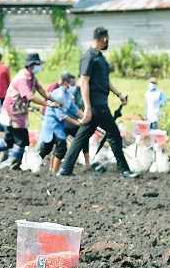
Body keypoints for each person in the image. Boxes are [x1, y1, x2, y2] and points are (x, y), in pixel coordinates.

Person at [59, 27, 137, 178]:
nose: (108, 42)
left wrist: (119, 94)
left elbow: (104, 81)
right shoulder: (88, 57)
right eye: (107, 39)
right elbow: (84, 82)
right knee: (114, 134)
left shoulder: (100, 57)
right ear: (103, 39)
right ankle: (124, 170)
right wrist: (87, 107)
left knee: (82, 136)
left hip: (99, 104)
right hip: (96, 105)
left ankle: (65, 169)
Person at [0, 53, 58, 170]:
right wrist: (48, 104)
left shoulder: (31, 77)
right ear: (31, 65)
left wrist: (53, 100)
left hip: (18, 112)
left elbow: (40, 89)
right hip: (12, 114)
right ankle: (12, 164)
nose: (39, 67)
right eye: (37, 64)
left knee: (9, 141)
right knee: (22, 141)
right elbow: (30, 96)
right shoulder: (22, 78)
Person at [39, 72, 85, 174]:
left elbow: (74, 109)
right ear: (65, 82)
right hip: (52, 125)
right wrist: (77, 123)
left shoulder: (68, 94)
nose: (74, 83)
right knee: (52, 147)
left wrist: (86, 117)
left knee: (57, 147)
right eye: (71, 82)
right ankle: (35, 166)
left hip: (59, 126)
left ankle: (52, 171)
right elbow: (61, 116)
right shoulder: (59, 95)